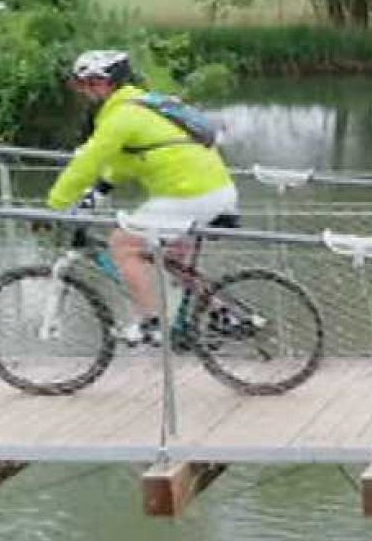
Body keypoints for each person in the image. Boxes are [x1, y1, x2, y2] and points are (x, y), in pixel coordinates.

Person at [46, 50, 238, 346]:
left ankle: (150, 323)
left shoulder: (121, 116)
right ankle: (223, 314)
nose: (84, 90)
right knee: (173, 263)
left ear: (108, 83)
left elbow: (89, 162)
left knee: (123, 244)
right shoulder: (145, 105)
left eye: (89, 82)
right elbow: (131, 160)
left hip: (188, 194)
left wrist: (56, 205)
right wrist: (99, 192)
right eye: (80, 84)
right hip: (214, 190)